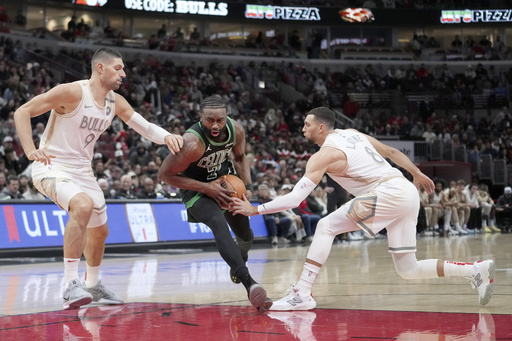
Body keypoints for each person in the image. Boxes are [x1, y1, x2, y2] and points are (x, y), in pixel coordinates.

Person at [230, 106, 495, 310]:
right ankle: (474, 270)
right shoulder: (353, 134)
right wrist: (416, 172)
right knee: (407, 268)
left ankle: (301, 293)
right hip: (404, 191)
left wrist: (255, 209)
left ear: (321, 128)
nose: (303, 129)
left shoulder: (323, 155)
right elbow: (391, 152)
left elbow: (292, 199)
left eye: (307, 125)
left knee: (325, 225)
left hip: (387, 192)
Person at [13, 47, 183, 310]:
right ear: (100, 68)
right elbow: (22, 111)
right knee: (82, 206)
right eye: (119, 68)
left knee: (100, 231)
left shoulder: (116, 101)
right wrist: (29, 150)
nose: (123, 73)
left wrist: (167, 136)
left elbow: (145, 127)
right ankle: (70, 284)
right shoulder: (72, 92)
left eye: (124, 68)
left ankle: (92, 284)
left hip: (83, 171)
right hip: (52, 166)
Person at [158, 95, 272, 314]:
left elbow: (239, 158)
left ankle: (238, 264)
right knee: (219, 224)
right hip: (196, 191)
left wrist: (247, 185)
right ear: (200, 117)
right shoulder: (192, 143)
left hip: (225, 182)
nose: (216, 125)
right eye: (210, 120)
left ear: (227, 116)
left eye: (220, 119)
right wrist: (206, 187)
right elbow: (165, 175)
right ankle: (250, 284)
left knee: (246, 237)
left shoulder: (236, 130)